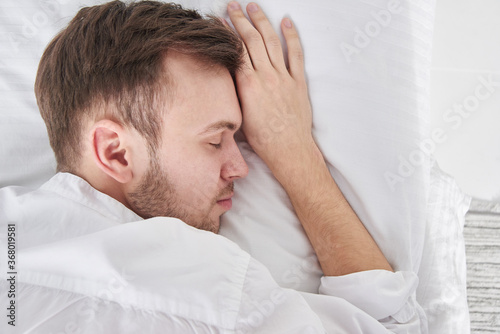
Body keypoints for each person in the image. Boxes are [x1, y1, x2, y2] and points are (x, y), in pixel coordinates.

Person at [0, 1, 426, 333]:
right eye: (214, 140)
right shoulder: (204, 288)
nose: (240, 166)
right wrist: (294, 153)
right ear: (116, 153)